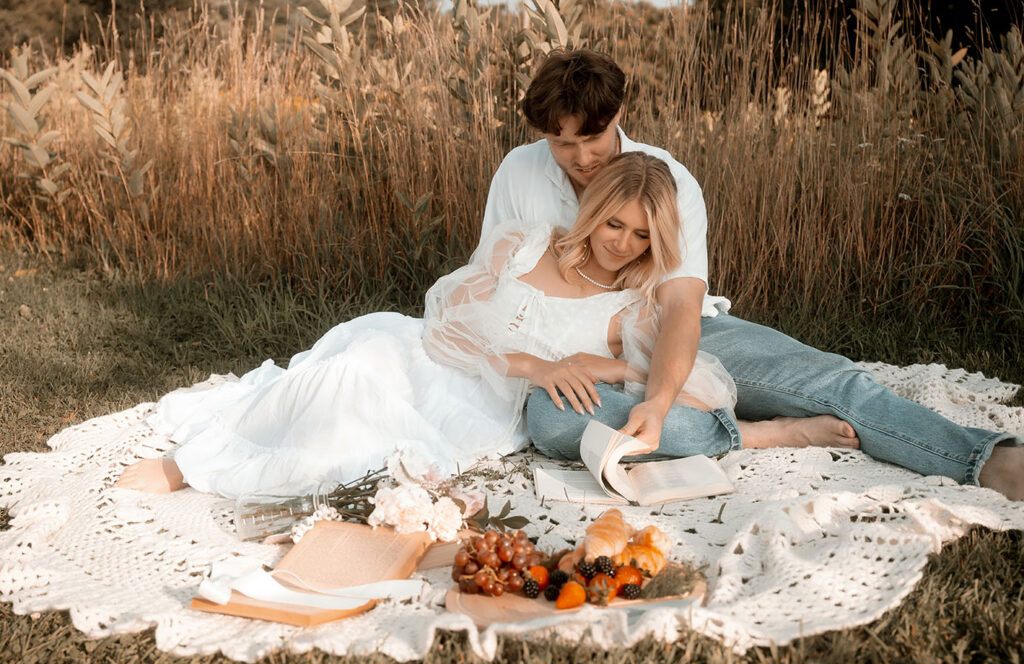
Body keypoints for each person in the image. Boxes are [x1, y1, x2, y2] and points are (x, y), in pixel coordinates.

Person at [118, 153, 856, 497]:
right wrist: (539, 364)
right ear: (593, 210)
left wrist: (611, 370)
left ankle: (193, 470)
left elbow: (685, 384)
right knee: (354, 356)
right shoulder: (524, 239)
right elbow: (447, 319)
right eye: (614, 224)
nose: (622, 243)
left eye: (641, 237)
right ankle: (204, 457)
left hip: (481, 400)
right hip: (426, 347)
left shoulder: (631, 308)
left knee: (352, 396)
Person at [481, 48, 1024, 499]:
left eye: (591, 138)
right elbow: (493, 285)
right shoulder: (519, 172)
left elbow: (680, 309)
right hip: (563, 358)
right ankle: (752, 433)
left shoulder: (666, 179)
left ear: (619, 112)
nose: (578, 157)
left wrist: (658, 398)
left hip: (661, 331)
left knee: (828, 382)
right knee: (552, 421)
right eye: (561, 143)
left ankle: (984, 458)